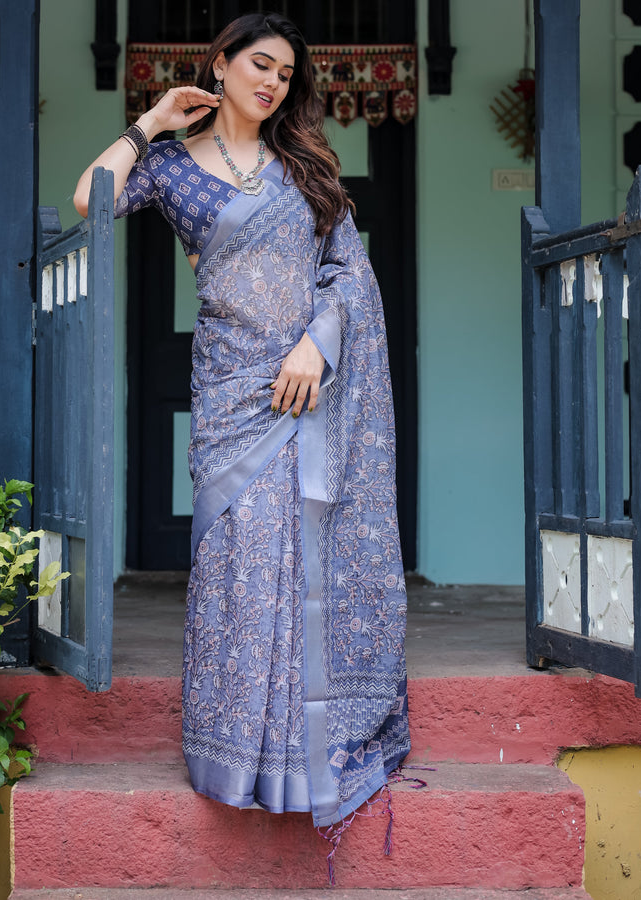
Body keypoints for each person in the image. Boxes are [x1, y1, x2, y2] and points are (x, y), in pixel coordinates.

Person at [75, 10, 410, 855]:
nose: (272, 83)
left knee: (300, 561)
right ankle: (235, 757)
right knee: (240, 565)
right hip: (229, 394)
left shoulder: (305, 168)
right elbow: (88, 200)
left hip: (304, 386)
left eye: (285, 75)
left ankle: (303, 758)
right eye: (258, 65)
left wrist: (316, 343)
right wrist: (148, 121)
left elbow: (347, 272)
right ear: (220, 66)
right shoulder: (169, 169)